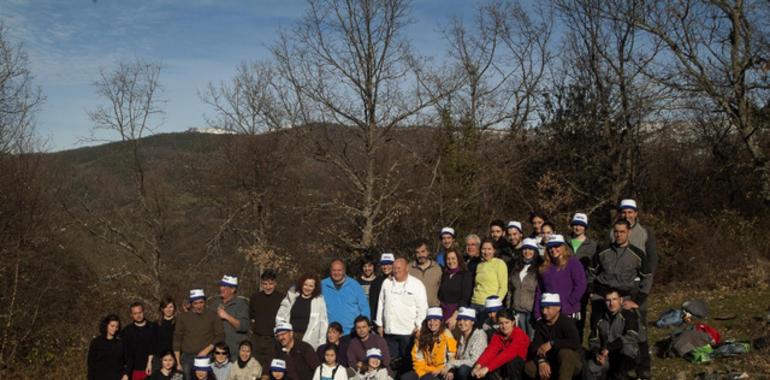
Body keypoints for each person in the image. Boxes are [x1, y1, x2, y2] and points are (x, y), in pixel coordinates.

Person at [590, 219, 653, 380]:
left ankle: (642, 367)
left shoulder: (637, 254)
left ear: (628, 232)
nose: (619, 235)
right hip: (602, 296)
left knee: (637, 331)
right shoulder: (603, 251)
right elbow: (590, 272)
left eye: (622, 232)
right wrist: (591, 291)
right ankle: (602, 360)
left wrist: (638, 300)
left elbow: (647, 278)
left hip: (625, 297)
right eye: (616, 231)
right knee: (600, 328)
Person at [609, 199, 658, 380]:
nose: (627, 215)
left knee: (640, 327)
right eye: (624, 212)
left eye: (631, 212)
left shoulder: (645, 233)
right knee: (619, 326)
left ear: (636, 213)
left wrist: (644, 288)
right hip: (618, 289)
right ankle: (622, 365)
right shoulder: (613, 232)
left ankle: (643, 366)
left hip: (638, 289)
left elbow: (652, 262)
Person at [375, 257, 428, 367]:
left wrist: (418, 326)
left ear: (406, 268)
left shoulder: (417, 284)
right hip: (389, 332)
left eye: (399, 268)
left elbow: (422, 308)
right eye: (394, 268)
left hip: (408, 333)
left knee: (407, 364)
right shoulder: (386, 282)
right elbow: (381, 304)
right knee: (391, 364)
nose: (396, 270)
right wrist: (379, 324)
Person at [533, 234, 587, 332]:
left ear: (563, 247)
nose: (553, 249)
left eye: (557, 246)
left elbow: (581, 286)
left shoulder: (573, 263)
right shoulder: (545, 267)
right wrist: (537, 312)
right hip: (549, 314)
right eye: (550, 247)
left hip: (569, 312)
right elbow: (540, 291)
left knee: (568, 344)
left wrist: (567, 304)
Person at [524, 294, 583, 380]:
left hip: (571, 362)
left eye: (548, 308)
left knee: (565, 353)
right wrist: (541, 361)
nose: (544, 311)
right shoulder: (541, 324)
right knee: (529, 368)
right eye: (542, 308)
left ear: (558, 308)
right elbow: (536, 346)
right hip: (551, 361)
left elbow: (575, 342)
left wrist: (552, 343)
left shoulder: (566, 322)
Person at [585, 289, 639, 380]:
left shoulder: (628, 314)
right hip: (606, 356)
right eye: (608, 300)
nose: (611, 303)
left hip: (625, 356)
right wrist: (597, 354)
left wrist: (610, 347)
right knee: (591, 367)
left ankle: (621, 375)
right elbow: (594, 340)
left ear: (621, 300)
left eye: (614, 299)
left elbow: (632, 336)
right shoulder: (599, 318)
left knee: (627, 349)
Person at [174, 289, 225, 379]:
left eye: (201, 302)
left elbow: (220, 335)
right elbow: (177, 339)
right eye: (195, 303)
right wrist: (178, 362)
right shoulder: (183, 317)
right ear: (191, 304)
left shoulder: (212, 315)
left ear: (205, 302)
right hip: (188, 358)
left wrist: (207, 350)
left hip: (207, 356)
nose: (198, 306)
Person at [471, 309, 530, 379]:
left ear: (513, 322)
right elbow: (490, 350)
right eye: (501, 323)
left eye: (507, 322)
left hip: (519, 366)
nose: (504, 326)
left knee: (511, 362)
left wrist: (487, 368)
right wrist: (478, 365)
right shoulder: (498, 335)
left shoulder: (519, 335)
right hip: (503, 363)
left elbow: (509, 353)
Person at [401, 307, 457, 380]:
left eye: (435, 320)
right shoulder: (421, 335)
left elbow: (452, 356)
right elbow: (417, 357)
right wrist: (421, 374)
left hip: (440, 371)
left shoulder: (446, 334)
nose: (432, 323)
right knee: (406, 378)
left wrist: (448, 370)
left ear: (440, 321)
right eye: (429, 320)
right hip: (424, 370)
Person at [276, 273, 329, 349]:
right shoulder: (292, 297)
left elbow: (323, 323)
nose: (307, 288)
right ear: (301, 285)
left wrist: (322, 344)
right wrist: (282, 334)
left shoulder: (319, 301)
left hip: (309, 339)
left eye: (311, 286)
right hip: (290, 338)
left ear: (315, 287)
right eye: (305, 285)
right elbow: (280, 317)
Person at [568, 212, 597, 342]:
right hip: (566, 284)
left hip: (582, 286)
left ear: (585, 227)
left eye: (581, 225)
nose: (577, 228)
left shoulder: (592, 245)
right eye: (575, 225)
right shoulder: (565, 241)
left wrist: (590, 284)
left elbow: (594, 267)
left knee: (579, 316)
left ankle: (577, 344)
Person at [322, 259, 371, 335]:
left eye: (339, 270)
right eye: (334, 270)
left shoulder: (354, 285)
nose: (336, 273)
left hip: (351, 332)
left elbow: (364, 308)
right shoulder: (323, 285)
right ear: (330, 271)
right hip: (330, 333)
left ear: (344, 271)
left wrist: (366, 328)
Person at [210, 275, 251, 360]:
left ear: (233, 290)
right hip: (216, 353)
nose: (221, 289)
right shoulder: (214, 304)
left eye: (225, 286)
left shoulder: (241, 304)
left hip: (234, 353)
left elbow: (244, 326)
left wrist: (226, 316)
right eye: (221, 286)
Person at [508, 238, 542, 339]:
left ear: (535, 251)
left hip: (531, 311)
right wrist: (509, 307)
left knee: (532, 338)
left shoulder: (539, 268)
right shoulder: (516, 267)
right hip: (517, 310)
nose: (527, 252)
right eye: (525, 249)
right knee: (519, 338)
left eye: (530, 249)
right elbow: (510, 289)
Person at [441, 308, 487, 380]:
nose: (462, 323)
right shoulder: (460, 334)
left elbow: (474, 361)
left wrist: (451, 364)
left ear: (472, 322)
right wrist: (451, 370)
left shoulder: (479, 335)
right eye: (459, 320)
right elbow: (457, 356)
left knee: (463, 370)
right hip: (459, 366)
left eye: (466, 320)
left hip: (475, 370)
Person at [250, 270, 283, 366]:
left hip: (273, 339)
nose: (268, 287)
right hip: (257, 338)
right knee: (255, 366)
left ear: (275, 283)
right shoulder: (255, 297)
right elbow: (252, 317)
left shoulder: (281, 298)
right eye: (265, 284)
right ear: (261, 284)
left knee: (271, 366)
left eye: (271, 284)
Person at [438, 249, 473, 330]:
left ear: (458, 259)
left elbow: (465, 298)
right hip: (443, 313)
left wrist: (454, 317)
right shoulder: (445, 274)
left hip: (457, 314)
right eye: (448, 259)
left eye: (453, 258)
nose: (451, 261)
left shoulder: (465, 275)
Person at [470, 238, 508, 312]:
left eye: (489, 249)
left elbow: (503, 288)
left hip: (489, 305)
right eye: (484, 249)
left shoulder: (499, 263)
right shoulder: (479, 265)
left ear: (494, 250)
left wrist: (495, 304)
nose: (486, 252)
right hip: (474, 303)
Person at [123, 302, 158, 380]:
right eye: (135, 313)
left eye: (140, 312)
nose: (138, 315)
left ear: (143, 311)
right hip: (134, 370)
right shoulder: (127, 330)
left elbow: (155, 348)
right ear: (131, 315)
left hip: (151, 368)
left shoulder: (153, 327)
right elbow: (126, 352)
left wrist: (150, 363)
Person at [88, 314, 128, 380]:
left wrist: (126, 374)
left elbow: (129, 360)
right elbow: (91, 364)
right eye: (112, 326)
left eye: (117, 326)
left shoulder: (121, 343)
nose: (115, 329)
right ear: (106, 325)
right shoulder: (96, 342)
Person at [408, 239, 443, 307]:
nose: (420, 255)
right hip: (414, 310)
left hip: (433, 310)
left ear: (428, 252)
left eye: (423, 251)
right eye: (417, 252)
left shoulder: (437, 268)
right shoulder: (409, 268)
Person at [368, 253, 395, 320]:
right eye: (383, 264)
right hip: (380, 320)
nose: (385, 267)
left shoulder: (399, 280)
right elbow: (373, 305)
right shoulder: (375, 282)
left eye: (388, 264)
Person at [155, 297, 177, 371]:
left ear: (174, 308)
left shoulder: (179, 323)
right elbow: (152, 343)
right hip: (159, 359)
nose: (168, 309)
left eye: (170, 307)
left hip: (175, 358)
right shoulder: (156, 324)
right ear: (162, 309)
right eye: (165, 307)